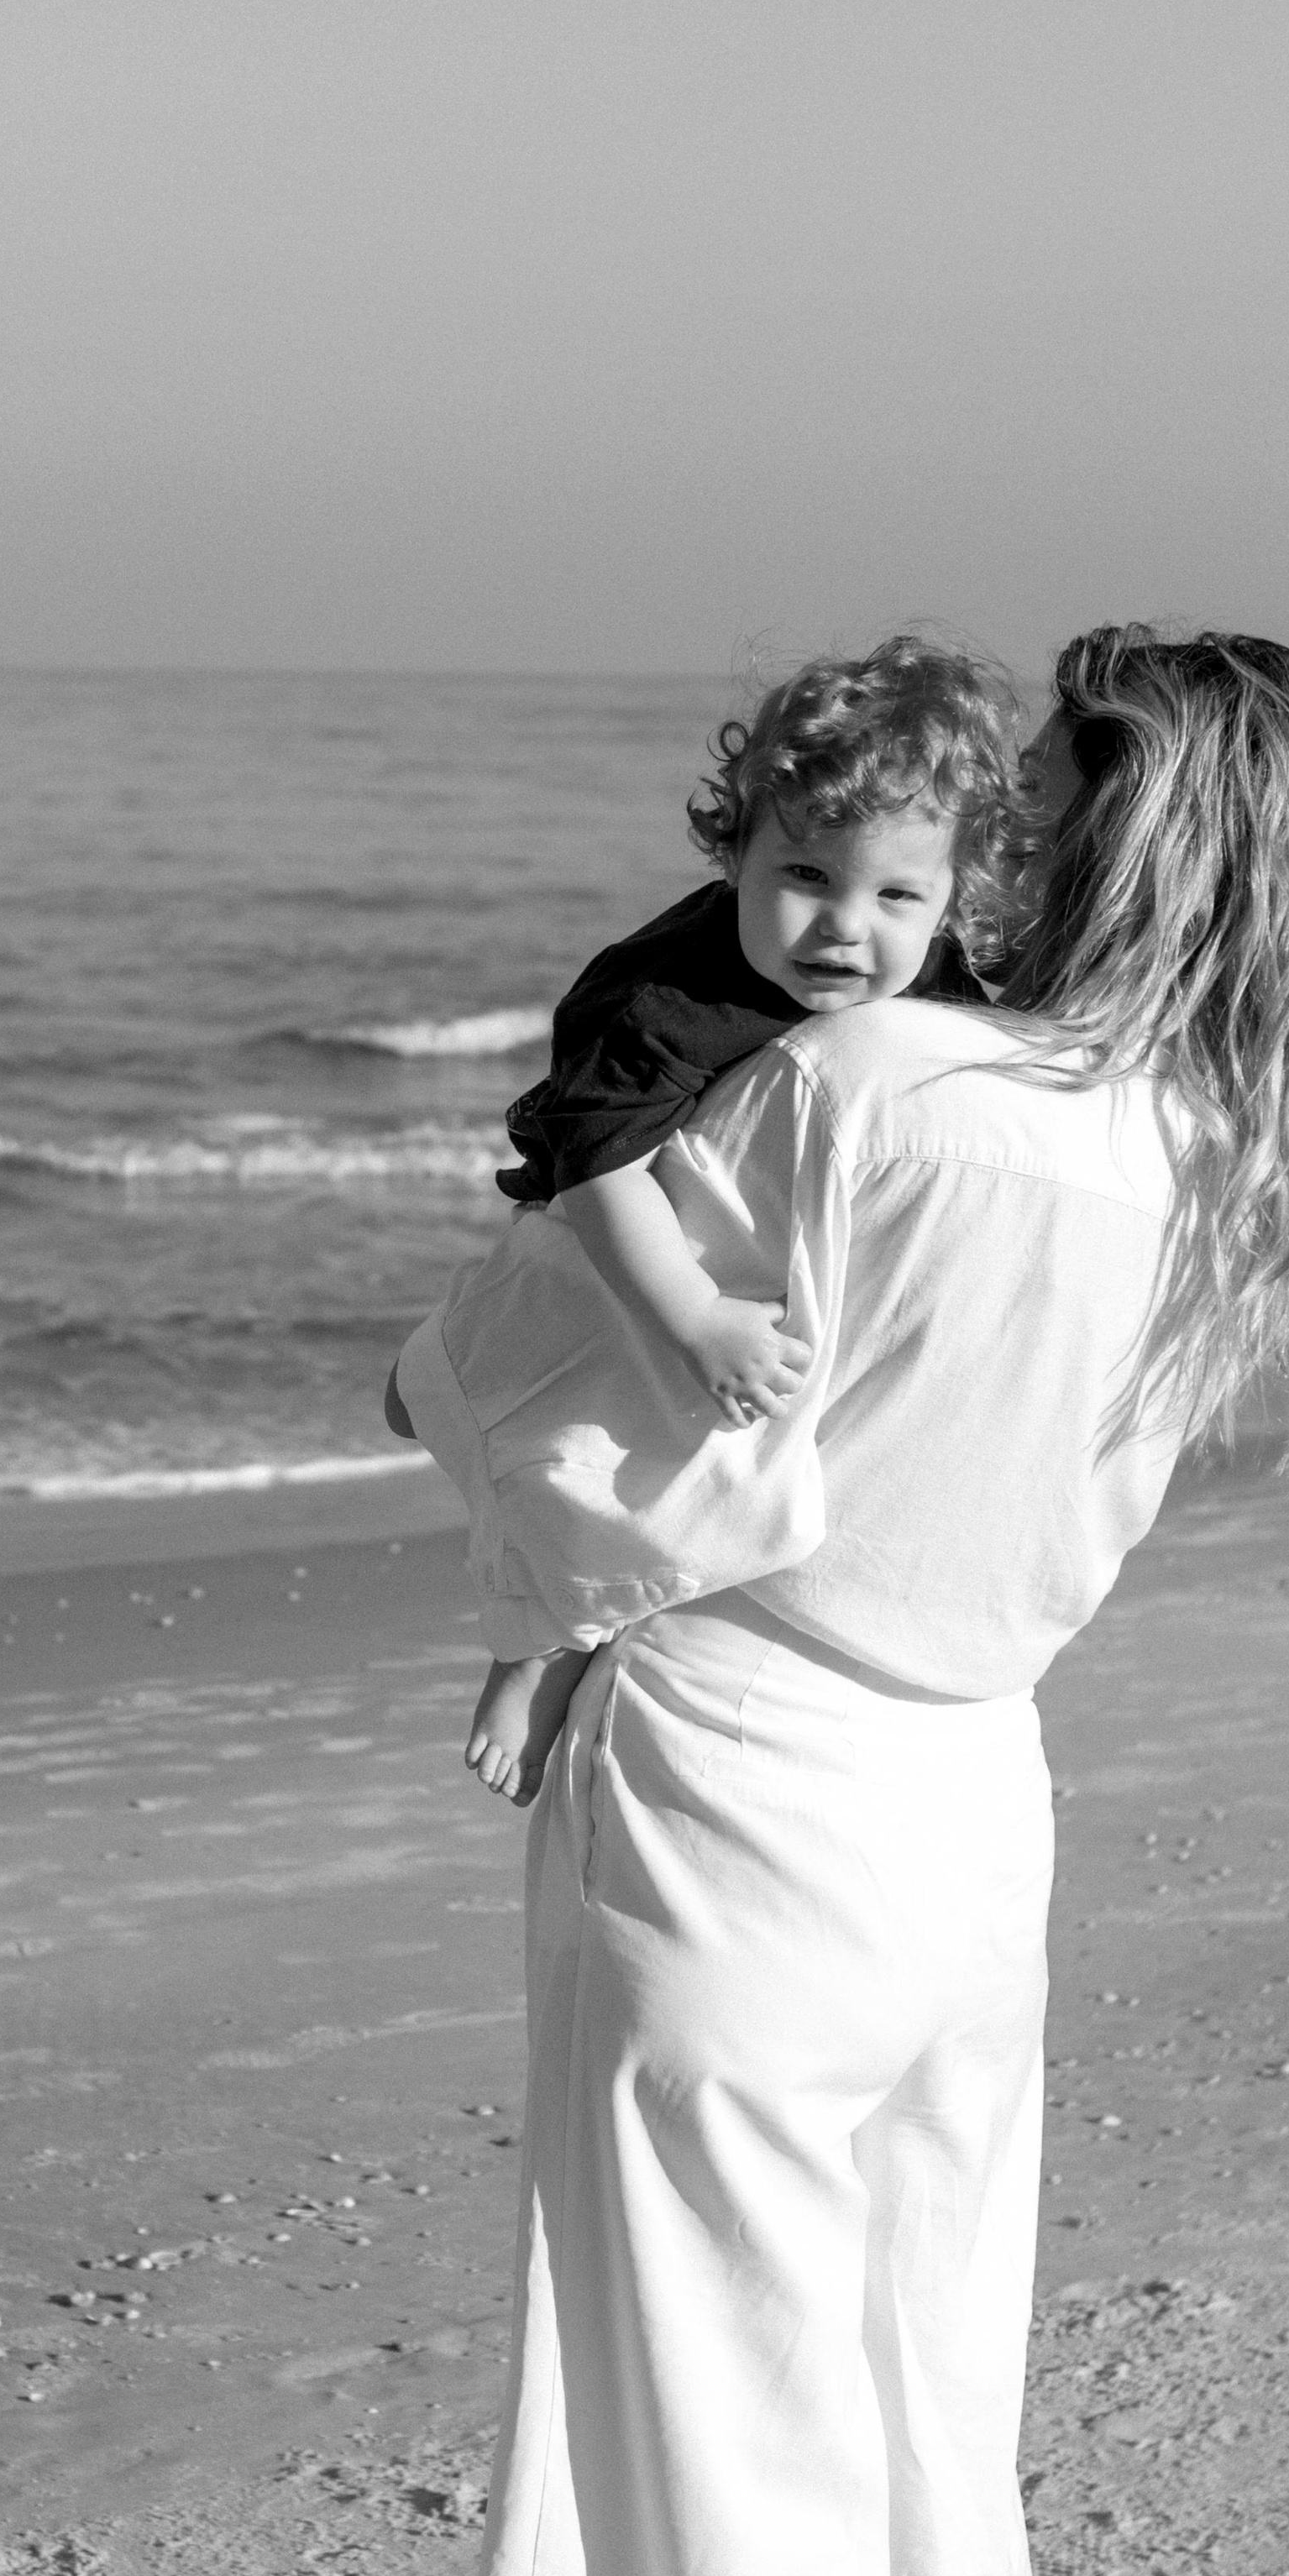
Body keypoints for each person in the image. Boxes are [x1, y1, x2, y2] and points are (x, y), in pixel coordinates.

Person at [391, 625, 1289, 2576]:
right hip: (976, 1801)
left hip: (748, 1781)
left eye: (1041, 788)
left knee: (702, 2440)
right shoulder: (1235, 1150)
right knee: (922, 2401)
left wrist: (451, 1415)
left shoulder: (866, 1089)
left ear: (1116, 827)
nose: (1007, 825)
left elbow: (529, 1394)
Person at [451, 631, 1018, 1805]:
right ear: (736, 852)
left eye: (896, 895)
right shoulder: (663, 999)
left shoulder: (934, 973)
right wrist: (694, 1319)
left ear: (953, 895)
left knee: (703, 1482)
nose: (844, 929)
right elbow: (596, 1165)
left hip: (742, 1239)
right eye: (804, 878)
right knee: (594, 1464)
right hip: (612, 1241)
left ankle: (584, 1626)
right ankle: (540, 1640)